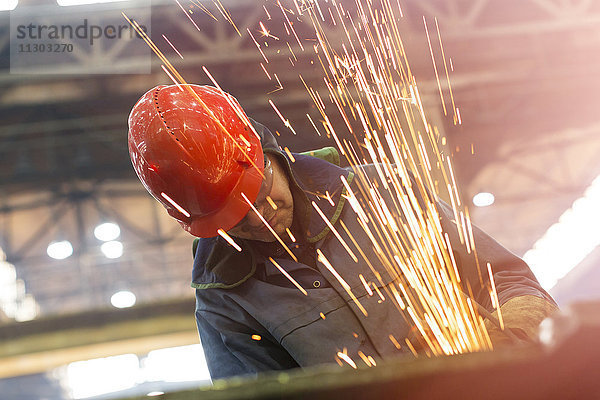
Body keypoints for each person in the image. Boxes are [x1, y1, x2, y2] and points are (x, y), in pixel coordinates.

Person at [128, 84, 558, 380]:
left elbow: (510, 280)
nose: (259, 220)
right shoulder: (225, 297)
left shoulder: (380, 193)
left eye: (259, 198)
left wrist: (507, 336)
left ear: (263, 153)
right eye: (235, 221)